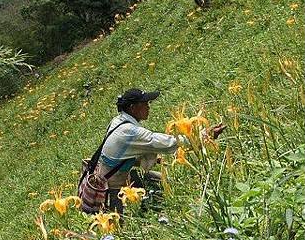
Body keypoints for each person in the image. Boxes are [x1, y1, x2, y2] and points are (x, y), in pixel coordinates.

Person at [97, 88, 226, 214]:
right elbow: (168, 143)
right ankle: (157, 213)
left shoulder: (118, 121)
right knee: (119, 227)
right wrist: (204, 136)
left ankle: (153, 208)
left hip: (114, 175)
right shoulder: (129, 132)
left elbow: (119, 153)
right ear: (133, 108)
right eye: (144, 104)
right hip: (112, 189)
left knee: (164, 181)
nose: (148, 107)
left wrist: (148, 159)